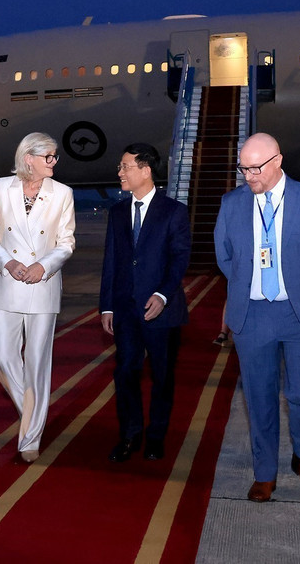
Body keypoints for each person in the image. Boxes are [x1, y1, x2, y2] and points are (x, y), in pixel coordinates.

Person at [214, 133, 300, 502]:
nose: (249, 176)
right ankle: (264, 472)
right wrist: (248, 285)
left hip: (299, 315)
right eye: (244, 169)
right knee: (259, 397)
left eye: (256, 168)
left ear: (278, 161)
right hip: (253, 315)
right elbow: (225, 256)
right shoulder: (232, 203)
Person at [0, 132, 76, 463]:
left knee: (36, 362)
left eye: (54, 156)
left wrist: (43, 266)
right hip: (6, 281)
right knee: (2, 355)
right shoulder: (0, 187)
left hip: (42, 285)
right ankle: (33, 413)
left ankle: (30, 438)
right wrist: (8, 262)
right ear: (28, 158)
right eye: (48, 156)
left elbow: (66, 242)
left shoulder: (62, 193)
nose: (54, 162)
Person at [100, 143, 191, 463]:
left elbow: (179, 259)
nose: (120, 172)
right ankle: (130, 435)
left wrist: (163, 294)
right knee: (125, 372)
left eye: (125, 167)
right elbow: (111, 261)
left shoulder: (174, 211)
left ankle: (156, 437)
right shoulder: (117, 212)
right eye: (120, 167)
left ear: (146, 170)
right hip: (126, 309)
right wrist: (107, 306)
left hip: (162, 311)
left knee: (162, 376)